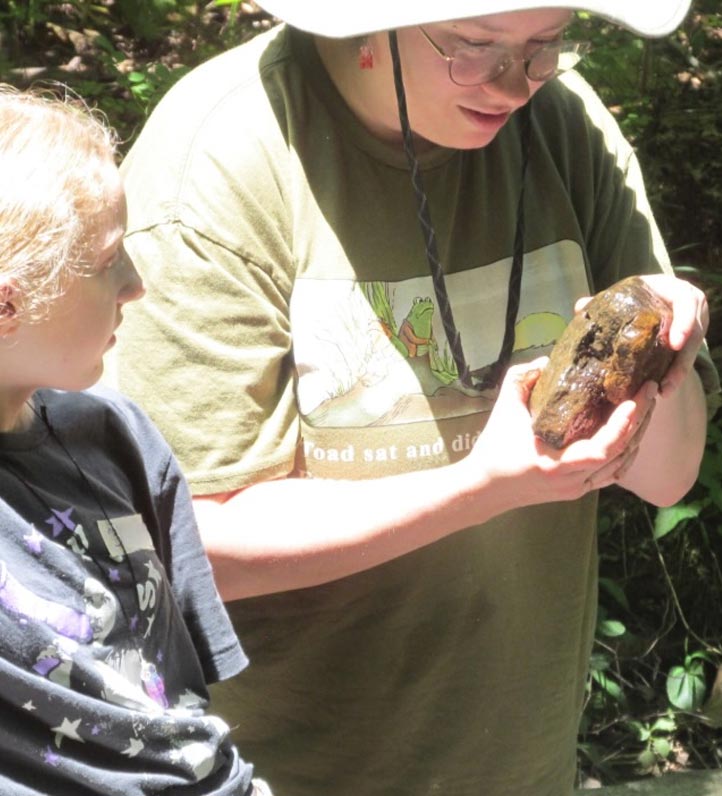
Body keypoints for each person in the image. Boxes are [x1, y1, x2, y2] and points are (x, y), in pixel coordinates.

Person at [113, 1, 720, 794]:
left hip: (517, 753)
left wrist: (662, 347)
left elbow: (667, 478)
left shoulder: (564, 123)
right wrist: (478, 489)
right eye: (475, 47)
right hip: (281, 767)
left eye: (545, 45)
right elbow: (184, 540)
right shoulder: (224, 160)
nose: (514, 85)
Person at [0, 85, 273, 796]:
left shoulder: (120, 437)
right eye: (109, 262)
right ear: (5, 303)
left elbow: (173, 706)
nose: (136, 287)